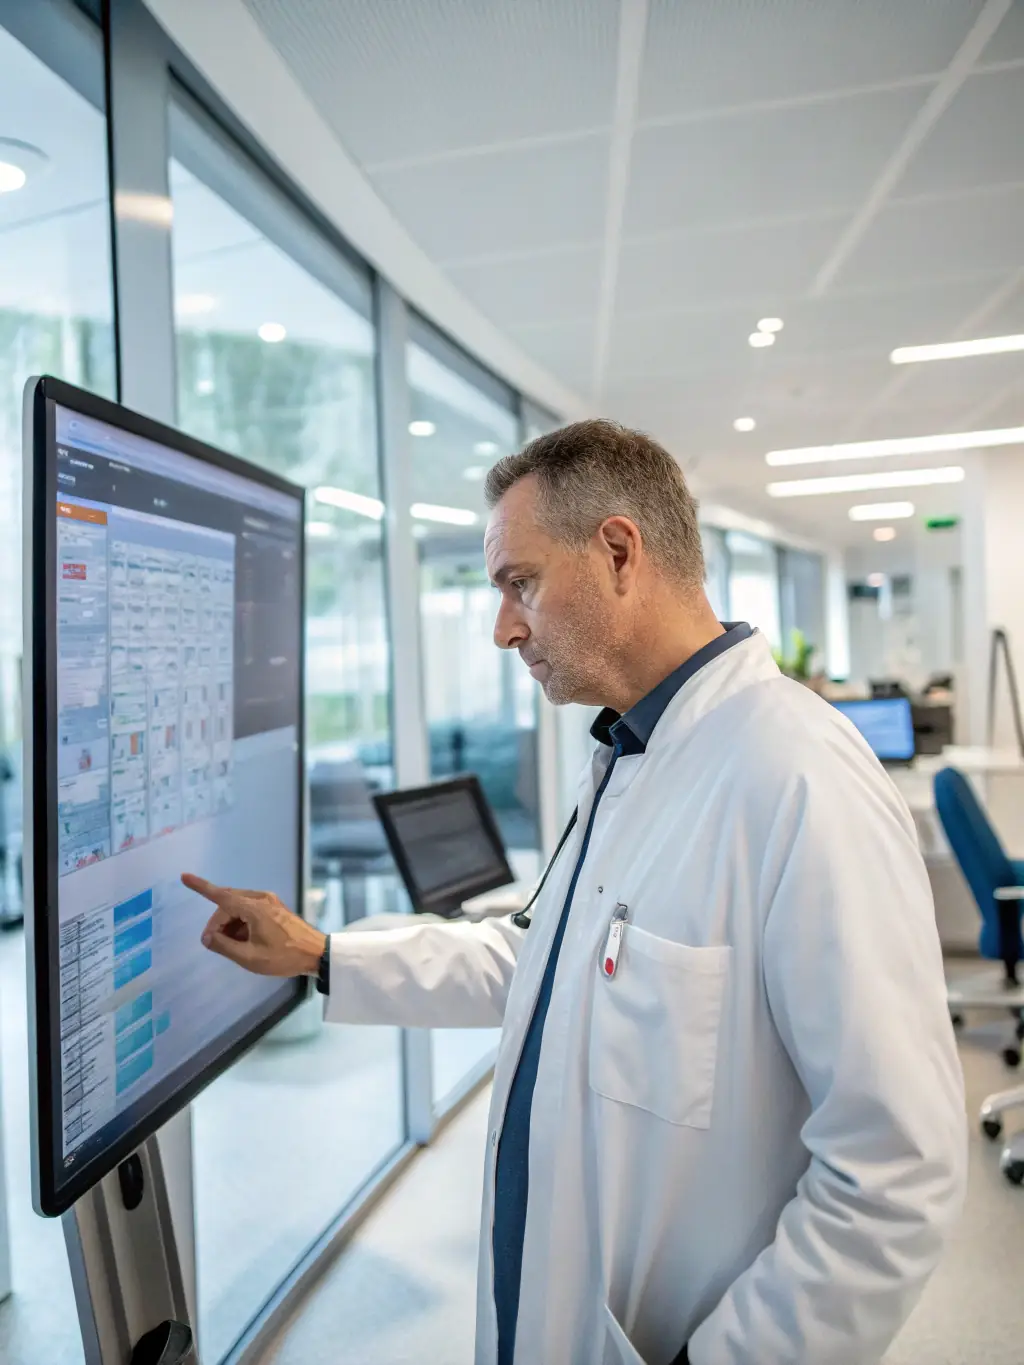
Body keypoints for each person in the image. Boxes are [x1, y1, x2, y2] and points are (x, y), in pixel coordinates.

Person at [183, 419, 967, 1365]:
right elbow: (549, 962)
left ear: (619, 552)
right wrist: (322, 952)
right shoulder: (629, 753)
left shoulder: (798, 777)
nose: (505, 626)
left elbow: (893, 1171)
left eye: (521, 582)